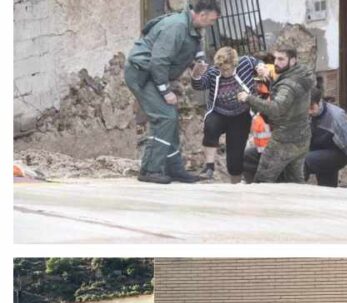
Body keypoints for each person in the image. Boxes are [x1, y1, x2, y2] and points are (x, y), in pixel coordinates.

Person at [125, 0, 220, 184]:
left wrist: (198, 62)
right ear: (201, 15)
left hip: (152, 73)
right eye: (212, 20)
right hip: (142, 73)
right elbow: (159, 61)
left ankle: (174, 168)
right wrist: (165, 91)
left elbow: (195, 44)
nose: (212, 24)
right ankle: (149, 169)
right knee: (164, 117)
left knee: (170, 117)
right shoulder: (176, 26)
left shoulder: (191, 25)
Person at [244, 87, 347, 188]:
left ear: (319, 102)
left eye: (312, 108)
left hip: (336, 154)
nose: (309, 112)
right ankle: (256, 189)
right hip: (310, 149)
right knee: (251, 155)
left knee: (301, 162)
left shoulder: (336, 117)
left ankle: (289, 194)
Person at [237, 47, 315, 183]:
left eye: (281, 59)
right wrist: (269, 79)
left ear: (293, 60)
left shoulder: (288, 85)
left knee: (262, 181)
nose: (276, 63)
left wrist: (248, 98)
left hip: (284, 140)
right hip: (302, 137)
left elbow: (277, 108)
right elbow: (286, 97)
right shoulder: (301, 73)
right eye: (275, 58)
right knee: (295, 182)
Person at [191, 47, 263, 182]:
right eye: (221, 69)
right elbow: (199, 85)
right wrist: (196, 75)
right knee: (210, 125)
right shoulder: (214, 72)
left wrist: (261, 68)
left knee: (234, 161)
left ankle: (235, 186)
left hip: (241, 115)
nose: (224, 73)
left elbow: (259, 63)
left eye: (227, 69)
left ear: (235, 64)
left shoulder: (245, 62)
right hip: (219, 112)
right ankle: (209, 167)